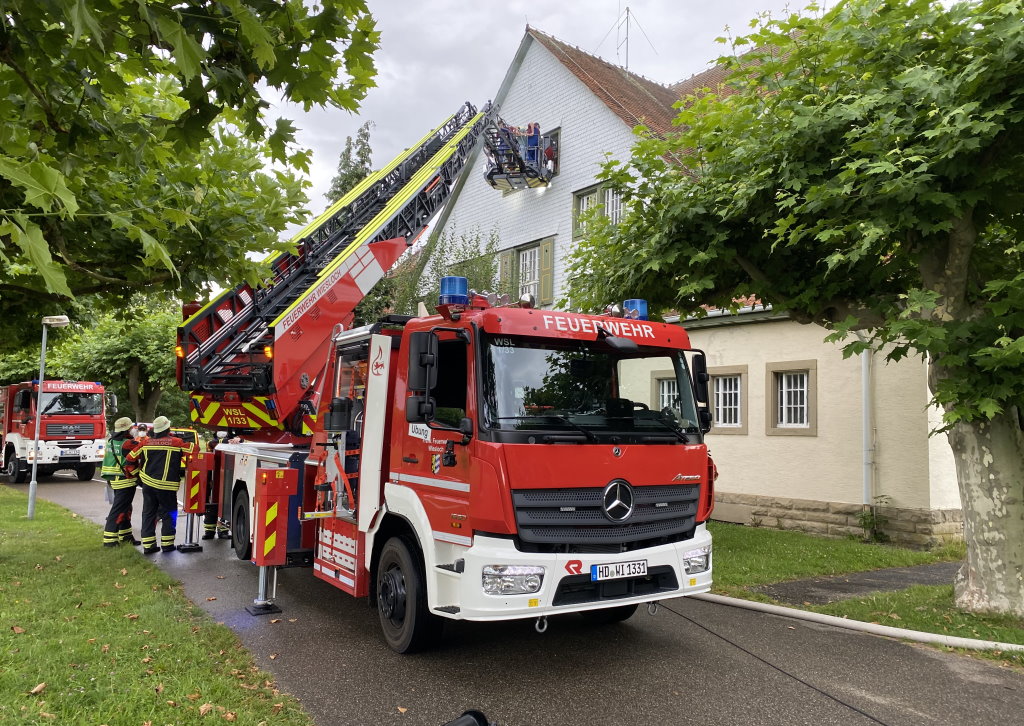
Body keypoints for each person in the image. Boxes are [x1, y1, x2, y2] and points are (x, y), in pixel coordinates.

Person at [127, 416, 194, 554]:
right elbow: (195, 450)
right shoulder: (176, 442)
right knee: (169, 514)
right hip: (167, 486)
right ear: (168, 428)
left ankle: (149, 546)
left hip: (148, 484)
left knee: (148, 513)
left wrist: (137, 475)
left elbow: (129, 458)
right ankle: (167, 545)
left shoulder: (145, 443)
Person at [100, 416, 143, 547]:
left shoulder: (111, 441)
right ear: (127, 429)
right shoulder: (127, 443)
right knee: (118, 509)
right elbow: (142, 447)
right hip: (125, 479)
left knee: (126, 507)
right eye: (131, 428)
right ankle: (109, 540)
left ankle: (126, 535)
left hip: (112, 480)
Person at [201, 439, 230, 540]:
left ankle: (223, 530)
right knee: (210, 508)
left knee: (223, 507)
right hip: (212, 484)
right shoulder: (212, 446)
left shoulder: (230, 445)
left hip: (225, 483)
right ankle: (209, 531)